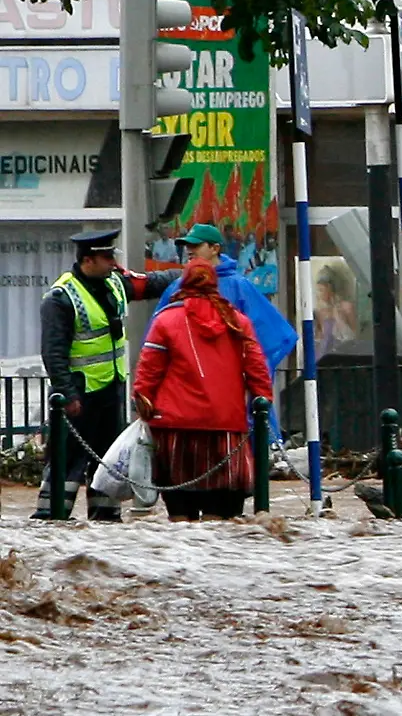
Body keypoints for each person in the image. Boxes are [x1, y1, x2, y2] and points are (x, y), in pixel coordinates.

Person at [32, 229, 179, 521]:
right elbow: (53, 352)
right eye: (106, 257)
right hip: (78, 395)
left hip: (110, 392)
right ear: (88, 260)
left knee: (107, 462)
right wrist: (67, 394)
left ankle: (106, 524)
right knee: (67, 462)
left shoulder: (115, 284)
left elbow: (152, 284)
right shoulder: (62, 298)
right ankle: (51, 520)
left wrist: (191, 274)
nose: (113, 262)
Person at [133, 257, 273, 520]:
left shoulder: (165, 321)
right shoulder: (237, 322)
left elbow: (148, 370)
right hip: (226, 430)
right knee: (222, 518)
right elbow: (257, 369)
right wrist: (262, 401)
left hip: (175, 431)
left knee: (180, 519)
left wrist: (143, 401)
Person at [154, 223, 297, 439]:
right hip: (186, 392)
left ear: (215, 248)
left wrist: (254, 389)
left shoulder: (240, 287)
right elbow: (155, 345)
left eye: (196, 245)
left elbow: (265, 343)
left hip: (229, 392)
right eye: (186, 246)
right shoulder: (175, 288)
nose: (189, 251)